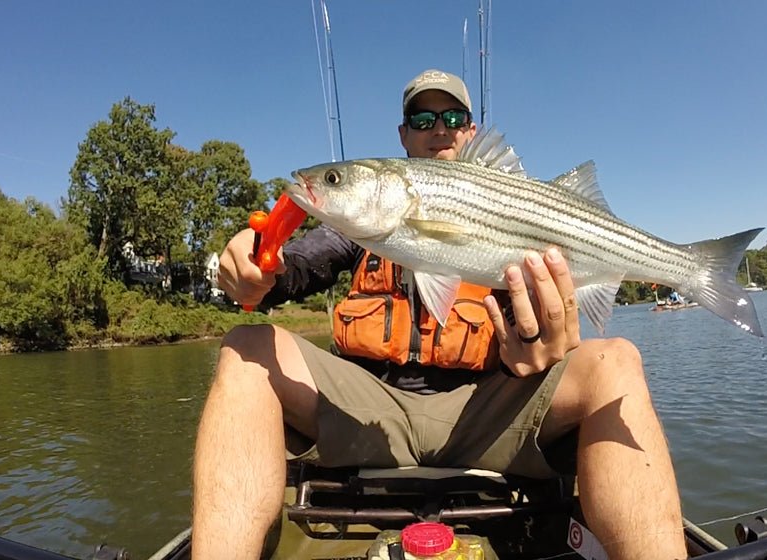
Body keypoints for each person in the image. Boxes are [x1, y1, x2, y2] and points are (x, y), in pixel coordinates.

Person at [192, 69, 687, 560]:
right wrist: (257, 264)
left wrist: (537, 343)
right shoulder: (357, 230)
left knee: (616, 360)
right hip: (369, 413)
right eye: (422, 117)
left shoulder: (506, 212)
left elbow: (530, 345)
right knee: (245, 345)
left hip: (485, 413)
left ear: (470, 130)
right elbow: (293, 268)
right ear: (403, 135)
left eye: (454, 116)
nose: (439, 128)